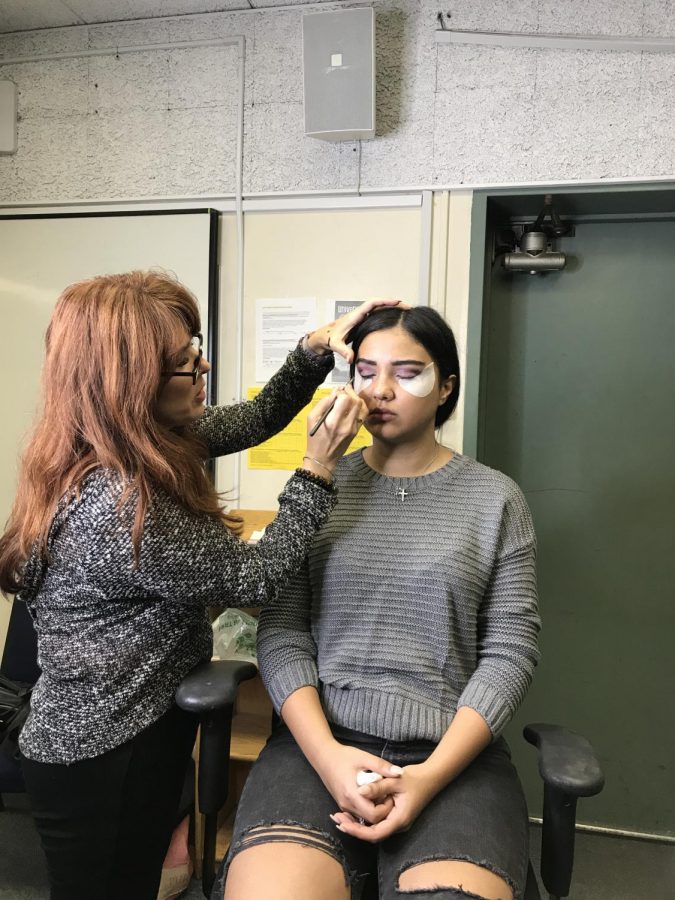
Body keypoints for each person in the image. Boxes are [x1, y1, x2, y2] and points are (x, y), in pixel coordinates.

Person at [0, 270, 400, 900]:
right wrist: (319, 465)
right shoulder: (118, 500)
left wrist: (313, 351)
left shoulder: (136, 439)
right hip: (103, 750)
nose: (204, 366)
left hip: (138, 724)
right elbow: (258, 577)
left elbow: (257, 418)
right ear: (131, 383)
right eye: (187, 363)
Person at [222, 306, 541, 900]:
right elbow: (283, 631)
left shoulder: (496, 500)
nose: (382, 389)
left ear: (446, 386)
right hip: (320, 740)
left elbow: (510, 652)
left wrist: (426, 778)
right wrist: (327, 757)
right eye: (366, 371)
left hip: (449, 755)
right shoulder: (320, 488)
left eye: (407, 372)